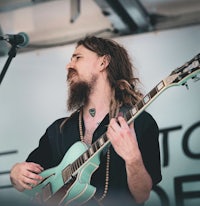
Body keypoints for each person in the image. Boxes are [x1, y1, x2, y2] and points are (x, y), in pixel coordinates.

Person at [10, 36, 162, 206]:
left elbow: (142, 195)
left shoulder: (137, 122)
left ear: (103, 62)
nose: (69, 65)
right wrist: (16, 174)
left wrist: (133, 158)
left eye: (78, 58)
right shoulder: (59, 130)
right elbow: (30, 182)